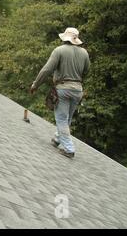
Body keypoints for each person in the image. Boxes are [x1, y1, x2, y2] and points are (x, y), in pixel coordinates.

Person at [30, 27, 90, 158]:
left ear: (65, 38)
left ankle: (69, 148)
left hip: (63, 88)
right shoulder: (84, 53)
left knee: (62, 119)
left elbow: (46, 70)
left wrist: (35, 84)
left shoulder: (59, 51)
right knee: (67, 118)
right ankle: (57, 139)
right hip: (78, 90)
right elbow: (86, 71)